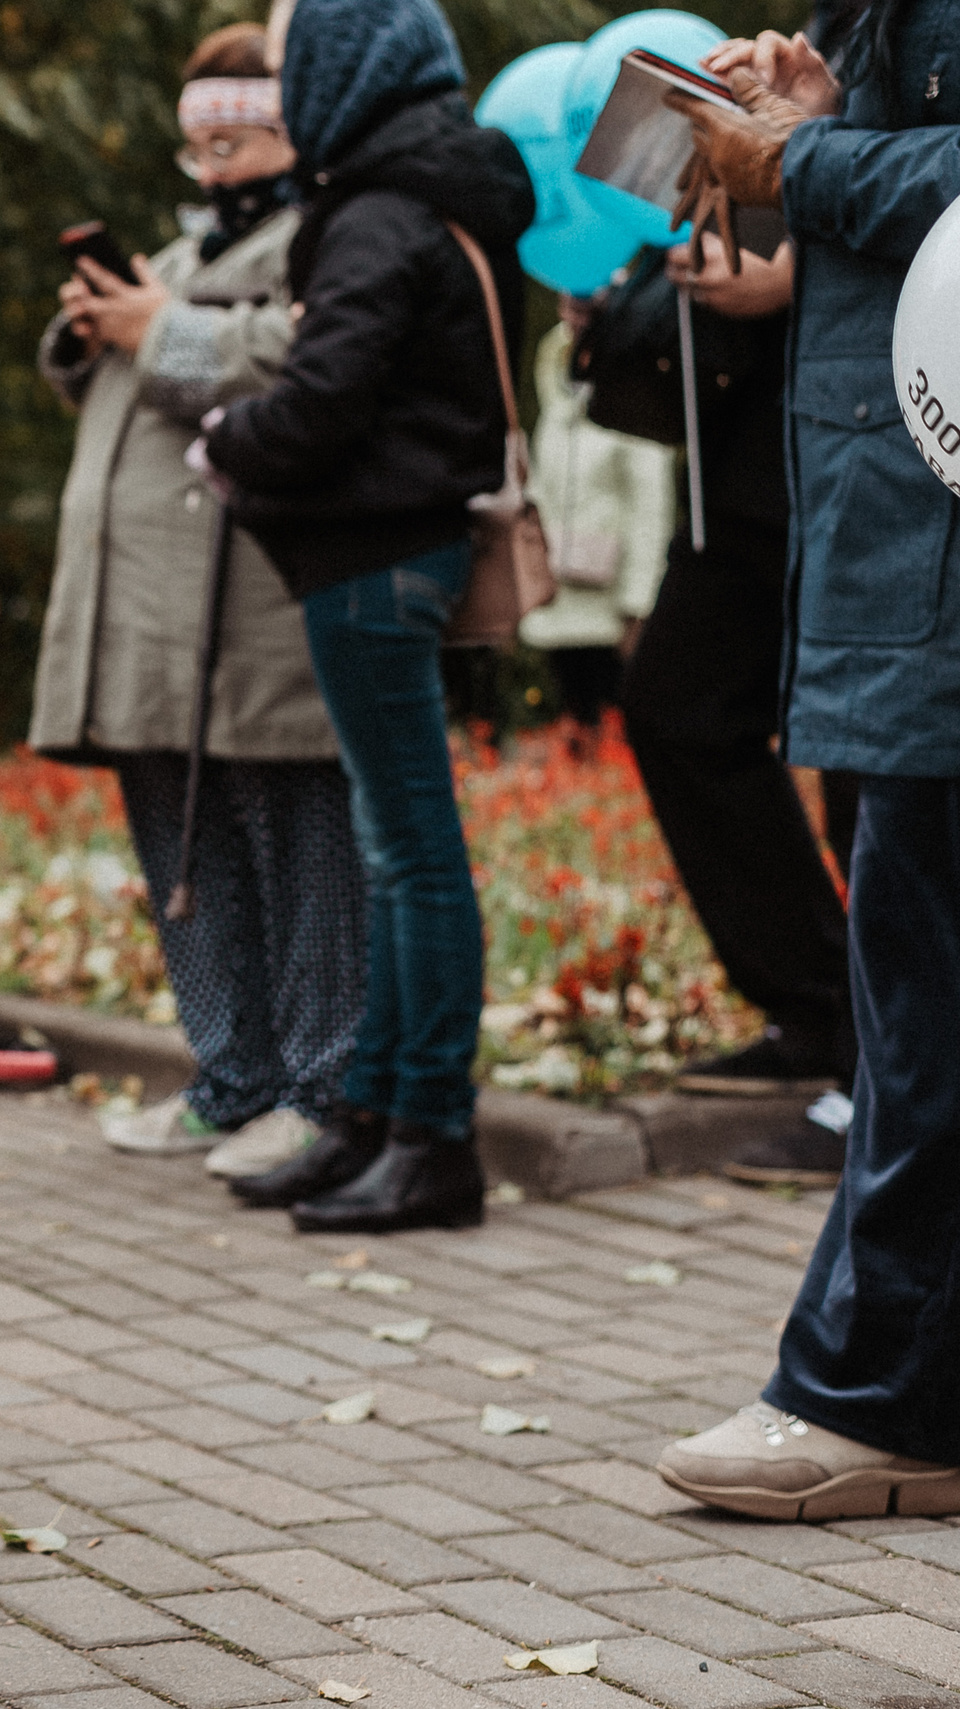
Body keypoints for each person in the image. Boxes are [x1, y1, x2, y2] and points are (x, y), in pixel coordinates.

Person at [651, 7, 960, 1520]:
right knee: (918, 987)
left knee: (925, 1005)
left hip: (938, 562)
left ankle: (876, 1394)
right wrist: (837, 114)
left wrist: (809, 156)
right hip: (906, 549)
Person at [197, 0, 534, 1233]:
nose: (284, 97)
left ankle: (431, 1137)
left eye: (294, 69)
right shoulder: (421, 193)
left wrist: (229, 432)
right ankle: (372, 1118)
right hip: (395, 550)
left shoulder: (379, 212)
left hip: (374, 555)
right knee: (399, 851)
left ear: (347, 67)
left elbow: (326, 394)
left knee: (411, 854)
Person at [27, 23, 367, 1180]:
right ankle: (229, 1077)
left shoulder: (322, 235)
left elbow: (310, 359)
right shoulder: (180, 249)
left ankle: (319, 1084)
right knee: (185, 852)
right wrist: (99, 328)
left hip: (254, 607)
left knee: (295, 846)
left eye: (240, 136)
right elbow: (126, 362)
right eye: (200, 142)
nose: (217, 162)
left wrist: (158, 330)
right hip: (146, 620)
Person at [578, 236, 860, 1185]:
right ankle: (818, 1003)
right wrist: (641, 301)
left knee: (867, 763)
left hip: (871, 442)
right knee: (676, 706)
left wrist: (798, 272)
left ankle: (883, 1076)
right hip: (743, 456)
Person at [520, 302, 677, 736]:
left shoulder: (635, 405)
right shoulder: (555, 410)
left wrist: (639, 603)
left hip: (612, 608)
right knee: (575, 719)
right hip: (560, 601)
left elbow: (651, 509)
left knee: (619, 721)